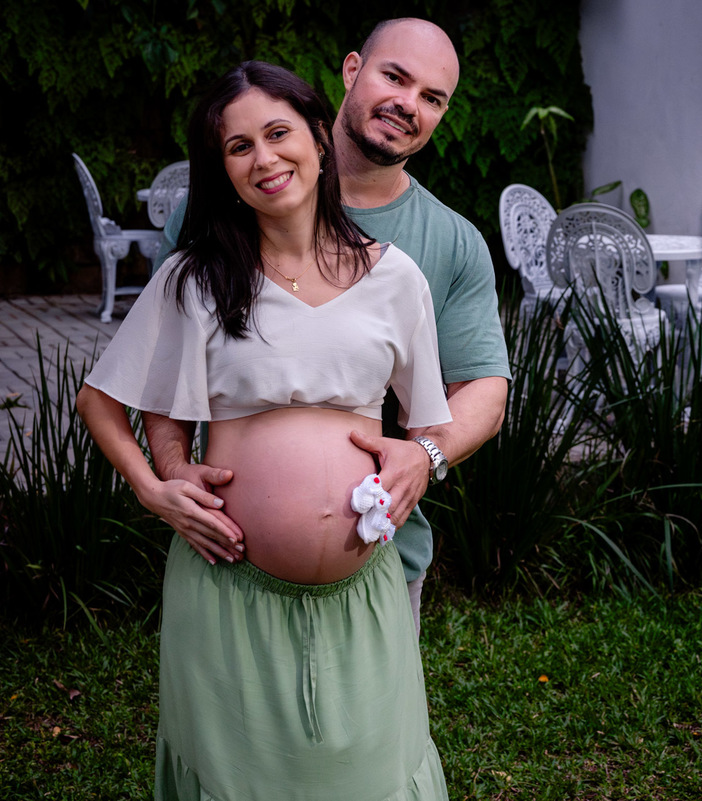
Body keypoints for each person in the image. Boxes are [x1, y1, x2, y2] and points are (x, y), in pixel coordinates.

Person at [77, 61, 451, 800]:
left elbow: (429, 421)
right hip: (226, 588)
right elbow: (106, 400)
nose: (265, 159)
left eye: (278, 133)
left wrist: (423, 457)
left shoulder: (396, 277)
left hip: (363, 591)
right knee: (232, 779)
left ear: (317, 136)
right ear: (223, 170)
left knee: (374, 774)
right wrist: (157, 486)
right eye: (238, 147)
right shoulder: (196, 277)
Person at [148, 18, 511, 636]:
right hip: (227, 558)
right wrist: (172, 468)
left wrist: (427, 455)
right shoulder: (219, 211)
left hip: (383, 556)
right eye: (394, 77)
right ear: (351, 71)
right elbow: (160, 370)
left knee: (371, 735)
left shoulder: (451, 241)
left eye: (432, 98)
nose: (407, 105)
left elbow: (484, 387)